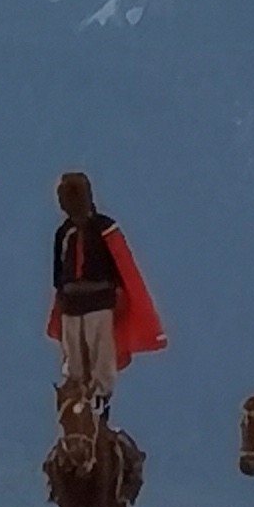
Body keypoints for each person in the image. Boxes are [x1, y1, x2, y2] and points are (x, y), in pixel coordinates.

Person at [46, 172, 163, 414]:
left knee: (100, 355)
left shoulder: (105, 229)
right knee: (74, 356)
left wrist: (119, 297)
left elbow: (121, 266)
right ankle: (75, 391)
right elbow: (58, 271)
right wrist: (60, 297)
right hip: (72, 305)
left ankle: (99, 398)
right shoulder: (64, 232)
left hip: (100, 305)